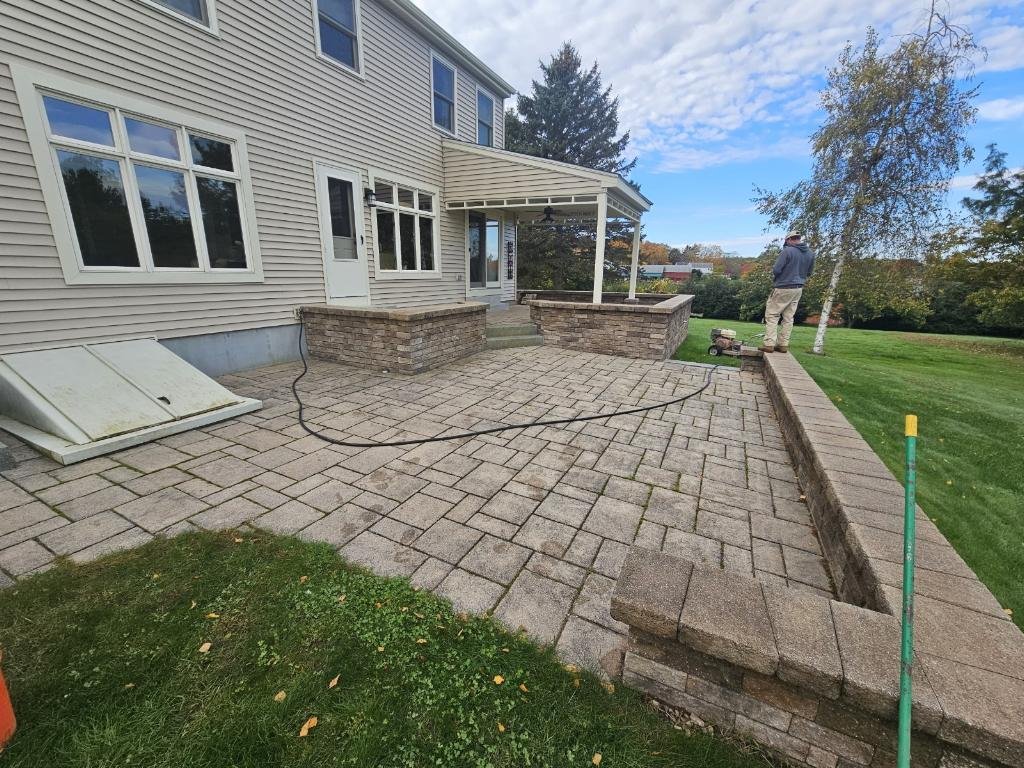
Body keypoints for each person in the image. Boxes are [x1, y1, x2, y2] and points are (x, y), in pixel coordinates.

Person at [759, 230, 815, 353]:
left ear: (789, 240)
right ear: (799, 239)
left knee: (772, 315)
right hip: (798, 288)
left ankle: (769, 344)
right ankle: (783, 344)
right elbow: (810, 272)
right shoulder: (810, 253)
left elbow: (777, 269)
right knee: (788, 317)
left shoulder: (787, 251)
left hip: (783, 287)